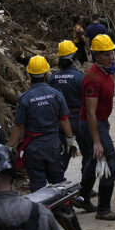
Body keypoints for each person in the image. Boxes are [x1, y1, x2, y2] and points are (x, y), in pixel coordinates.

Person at [12, 57, 72, 187]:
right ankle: (64, 206)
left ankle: (42, 207)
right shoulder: (56, 94)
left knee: (38, 184)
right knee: (58, 181)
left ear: (29, 74)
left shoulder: (25, 98)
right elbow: (64, 120)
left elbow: (18, 126)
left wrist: (10, 146)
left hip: (34, 148)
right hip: (54, 145)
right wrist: (71, 139)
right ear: (46, 74)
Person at [80, 34, 115, 217]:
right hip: (92, 124)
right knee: (111, 165)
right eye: (105, 54)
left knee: (91, 162)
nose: (110, 57)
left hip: (100, 122)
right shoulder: (93, 79)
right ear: (96, 56)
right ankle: (103, 209)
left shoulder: (106, 71)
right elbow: (90, 113)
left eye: (111, 52)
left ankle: (82, 198)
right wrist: (97, 140)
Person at [49, 41, 92, 205]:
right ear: (74, 57)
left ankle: (57, 189)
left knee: (64, 155)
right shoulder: (80, 77)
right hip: (79, 118)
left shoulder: (53, 78)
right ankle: (86, 187)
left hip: (61, 121)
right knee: (88, 155)